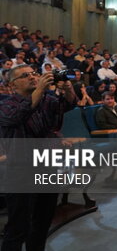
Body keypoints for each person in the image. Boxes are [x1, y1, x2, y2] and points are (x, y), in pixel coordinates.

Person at [0, 65, 76, 251]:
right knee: (18, 226)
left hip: (46, 165)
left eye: (34, 73)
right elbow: (17, 116)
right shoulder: (6, 105)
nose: (33, 77)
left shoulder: (46, 100)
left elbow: (68, 104)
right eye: (26, 76)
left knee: (42, 221)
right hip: (20, 170)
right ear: (12, 84)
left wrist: (67, 88)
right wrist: (41, 88)